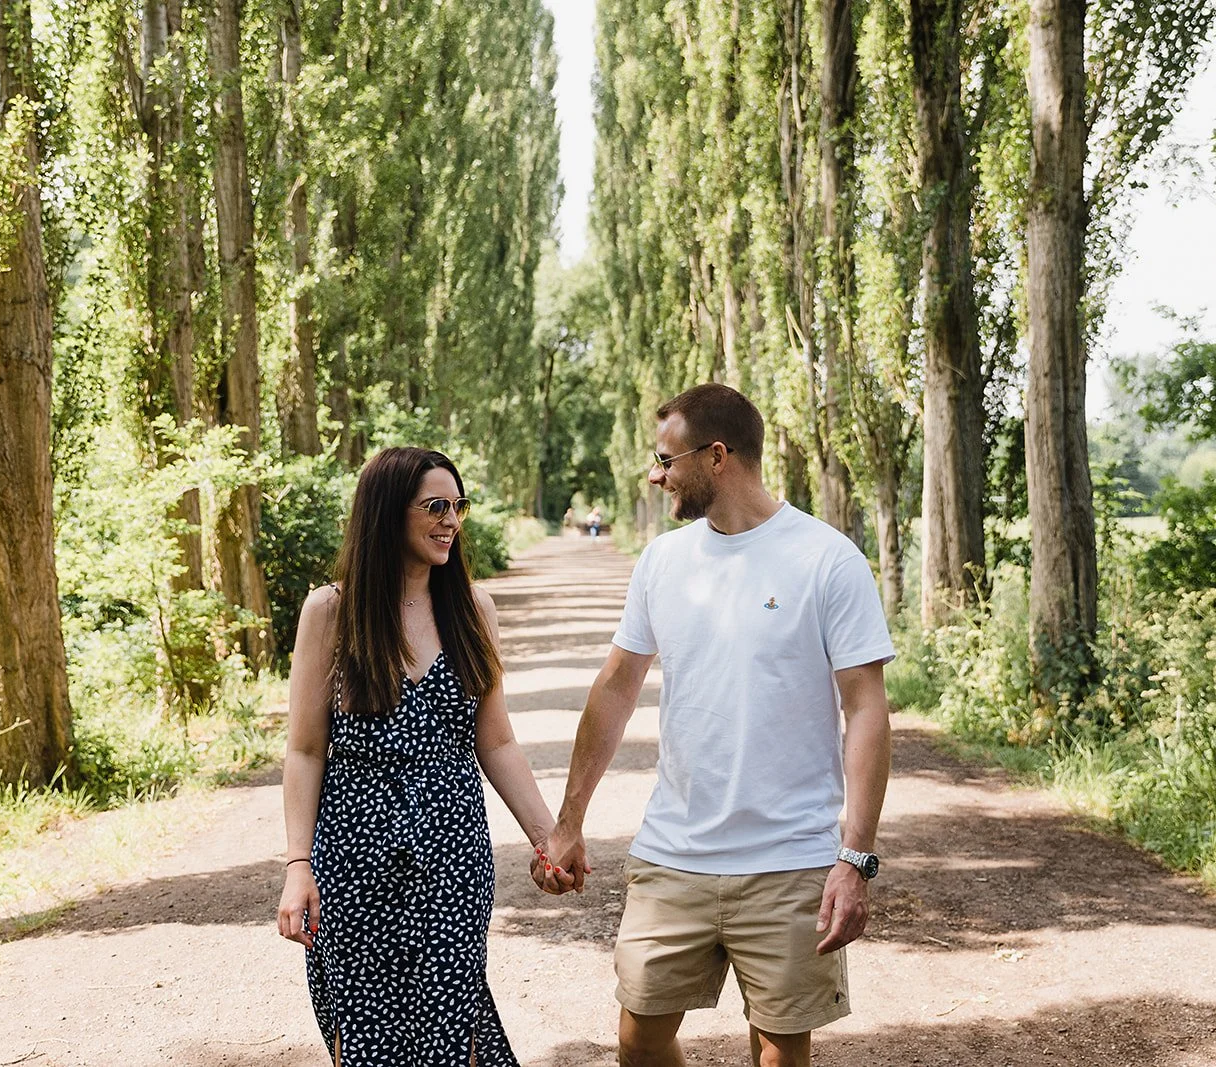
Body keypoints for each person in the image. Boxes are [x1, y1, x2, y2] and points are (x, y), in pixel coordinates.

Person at [537, 384, 894, 1067]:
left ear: (717, 456)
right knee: (639, 1040)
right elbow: (616, 687)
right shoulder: (663, 561)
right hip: (674, 853)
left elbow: (867, 711)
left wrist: (855, 858)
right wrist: (569, 819)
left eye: (665, 459)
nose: (655, 475)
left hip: (789, 859)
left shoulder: (827, 559)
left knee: (781, 1052)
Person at [277, 446, 572, 1065]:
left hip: (453, 858)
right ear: (388, 511)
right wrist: (298, 866)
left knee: (451, 1023)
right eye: (436, 506)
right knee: (364, 1030)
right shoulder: (331, 611)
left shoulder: (473, 610)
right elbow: (304, 751)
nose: (451, 521)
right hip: (353, 863)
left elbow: (496, 741)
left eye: (458, 506)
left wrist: (548, 838)